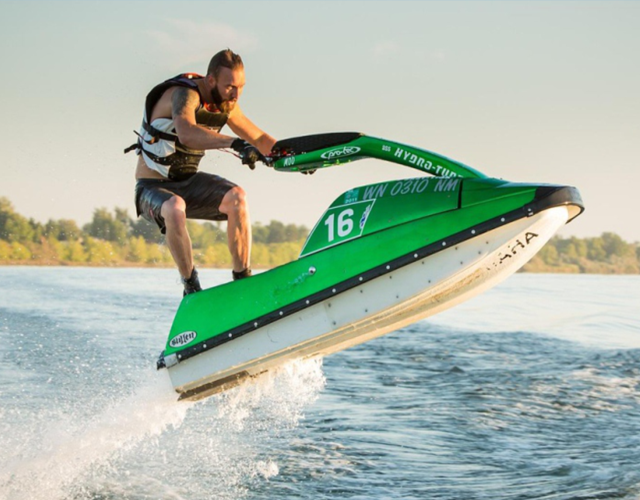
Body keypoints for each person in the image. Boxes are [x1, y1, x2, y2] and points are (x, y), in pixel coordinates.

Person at [126, 49, 277, 295]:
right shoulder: (184, 95)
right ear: (211, 80)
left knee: (237, 198)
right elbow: (186, 132)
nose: (236, 94)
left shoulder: (226, 104)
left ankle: (242, 281)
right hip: (151, 189)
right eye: (230, 87)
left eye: (241, 87)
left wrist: (292, 158)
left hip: (188, 184)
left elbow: (260, 139)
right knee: (174, 208)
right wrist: (236, 144)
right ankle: (191, 287)